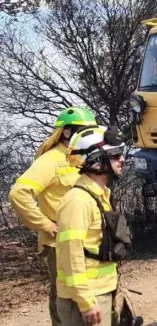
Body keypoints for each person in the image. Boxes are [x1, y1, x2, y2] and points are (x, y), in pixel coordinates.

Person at [8, 106, 97, 326]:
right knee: (64, 296)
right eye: (83, 131)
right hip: (58, 243)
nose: (88, 137)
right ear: (66, 132)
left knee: (83, 293)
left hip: (80, 240)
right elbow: (19, 193)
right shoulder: (51, 160)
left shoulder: (77, 160)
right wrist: (45, 225)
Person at [55, 125, 129, 326]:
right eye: (114, 155)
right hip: (87, 298)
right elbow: (71, 254)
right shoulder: (77, 200)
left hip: (103, 290)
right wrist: (86, 302)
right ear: (95, 160)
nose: (121, 159)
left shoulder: (101, 194)